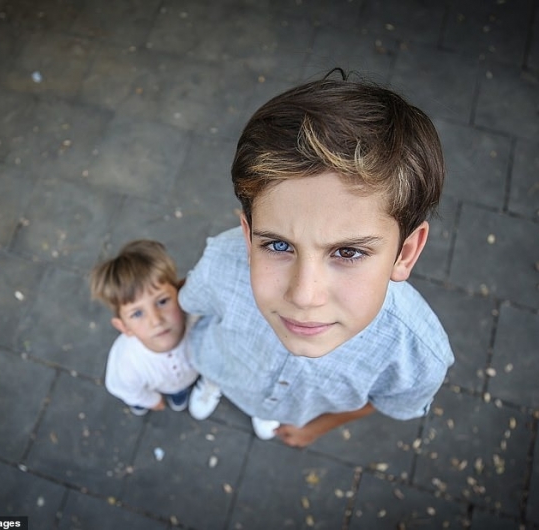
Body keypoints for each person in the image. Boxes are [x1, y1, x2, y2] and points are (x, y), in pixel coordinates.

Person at [179, 69, 454, 447]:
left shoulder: (418, 355)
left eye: (348, 252)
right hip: (222, 365)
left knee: (267, 410)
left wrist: (316, 427)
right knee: (218, 372)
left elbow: (384, 400)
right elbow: (192, 302)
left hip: (297, 411)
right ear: (248, 236)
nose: (304, 296)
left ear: (404, 253)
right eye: (278, 245)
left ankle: (266, 412)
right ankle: (213, 383)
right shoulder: (222, 260)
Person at [90, 240, 198, 416]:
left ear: (180, 292)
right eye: (137, 314)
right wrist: (151, 400)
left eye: (162, 301)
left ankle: (179, 393)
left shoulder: (199, 322)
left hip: (186, 378)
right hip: (150, 389)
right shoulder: (127, 362)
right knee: (138, 396)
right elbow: (123, 387)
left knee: (179, 389)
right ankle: (142, 404)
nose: (156, 320)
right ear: (124, 327)